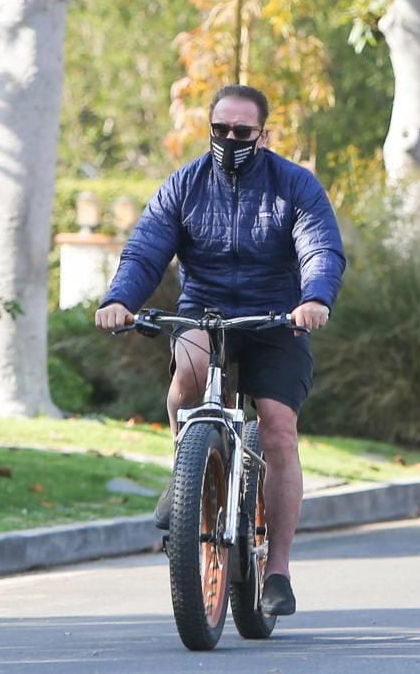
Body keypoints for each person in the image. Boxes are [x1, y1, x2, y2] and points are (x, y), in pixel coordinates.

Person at [95, 84, 346, 616]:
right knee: (187, 377)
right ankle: (188, 475)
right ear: (208, 128)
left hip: (277, 317)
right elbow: (144, 251)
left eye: (242, 132)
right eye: (220, 130)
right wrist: (120, 299)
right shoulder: (183, 186)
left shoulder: (294, 186)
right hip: (204, 310)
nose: (229, 140)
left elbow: (320, 246)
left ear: (263, 134)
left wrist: (314, 298)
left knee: (277, 427)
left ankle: (276, 570)